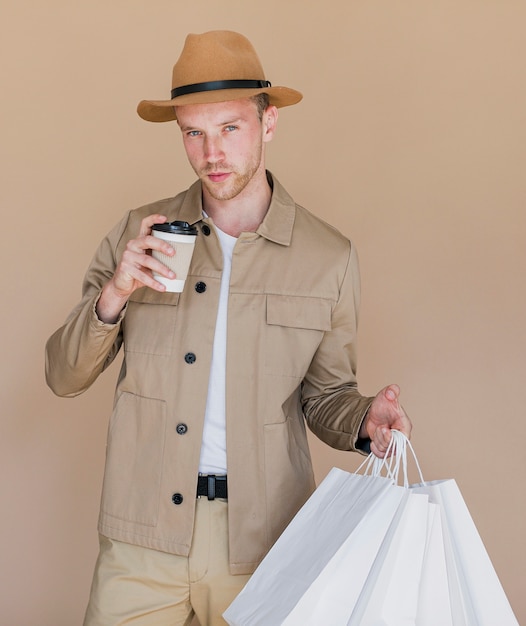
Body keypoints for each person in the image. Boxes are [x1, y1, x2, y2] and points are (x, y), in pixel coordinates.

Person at [46, 30, 412, 626]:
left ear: (269, 125)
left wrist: (364, 421)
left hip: (266, 543)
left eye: (229, 128)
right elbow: (62, 376)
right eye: (194, 132)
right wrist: (114, 294)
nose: (211, 153)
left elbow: (325, 397)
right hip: (142, 539)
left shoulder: (328, 257)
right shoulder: (140, 232)